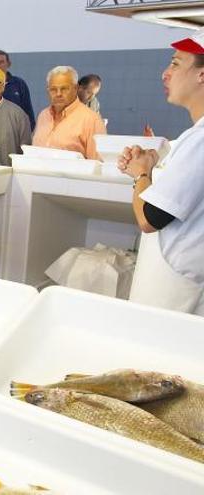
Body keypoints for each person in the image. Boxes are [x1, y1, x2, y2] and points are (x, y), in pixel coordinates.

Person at [118, 29, 204, 316]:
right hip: (174, 282)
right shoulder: (192, 138)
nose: (165, 74)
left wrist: (141, 174)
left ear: (202, 75)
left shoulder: (200, 139)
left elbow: (149, 218)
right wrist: (153, 166)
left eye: (176, 64)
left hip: (177, 289)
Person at [32, 66, 106, 160]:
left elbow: (98, 166)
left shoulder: (92, 120)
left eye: (64, 88)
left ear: (76, 88)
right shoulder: (43, 115)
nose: (58, 94)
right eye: (53, 89)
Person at [0, 49, 36, 131]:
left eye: (1, 62)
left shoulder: (19, 84)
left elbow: (28, 112)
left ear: (8, 64)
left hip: (16, 134)